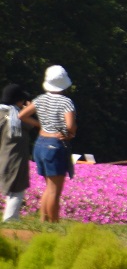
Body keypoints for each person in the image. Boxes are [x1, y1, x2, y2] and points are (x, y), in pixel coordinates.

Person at [29, 66, 77, 223]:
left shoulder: (40, 99)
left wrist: (40, 126)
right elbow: (69, 126)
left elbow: (23, 115)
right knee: (55, 190)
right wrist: (69, 133)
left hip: (40, 143)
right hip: (55, 145)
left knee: (48, 188)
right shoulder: (66, 102)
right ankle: (54, 223)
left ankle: (44, 221)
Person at [0, 83, 30, 222]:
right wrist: (29, 109)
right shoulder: (17, 116)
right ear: (18, 100)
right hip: (14, 157)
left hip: (2, 155)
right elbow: (31, 125)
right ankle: (10, 219)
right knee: (16, 189)